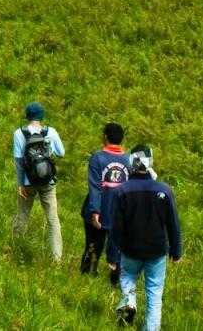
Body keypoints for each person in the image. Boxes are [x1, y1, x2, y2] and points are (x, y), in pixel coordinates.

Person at [107, 145, 182, 331]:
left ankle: (130, 301)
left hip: (130, 249)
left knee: (127, 278)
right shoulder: (164, 190)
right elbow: (173, 223)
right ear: (150, 163)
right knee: (154, 294)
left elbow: (115, 228)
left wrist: (112, 256)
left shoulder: (121, 191)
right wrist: (176, 250)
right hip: (157, 251)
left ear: (131, 162)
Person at [12, 101, 65, 261]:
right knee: (52, 219)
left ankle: (17, 251)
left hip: (28, 182)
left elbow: (19, 161)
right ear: (41, 116)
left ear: (27, 116)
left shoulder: (19, 133)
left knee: (22, 216)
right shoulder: (51, 131)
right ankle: (57, 259)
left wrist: (21, 184)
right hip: (48, 182)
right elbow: (61, 153)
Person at [80, 121, 130, 284]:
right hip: (120, 212)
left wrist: (94, 211)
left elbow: (95, 187)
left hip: (100, 209)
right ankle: (115, 281)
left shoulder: (98, 158)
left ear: (105, 137)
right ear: (121, 139)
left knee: (94, 244)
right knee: (118, 247)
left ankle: (87, 276)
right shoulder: (128, 159)